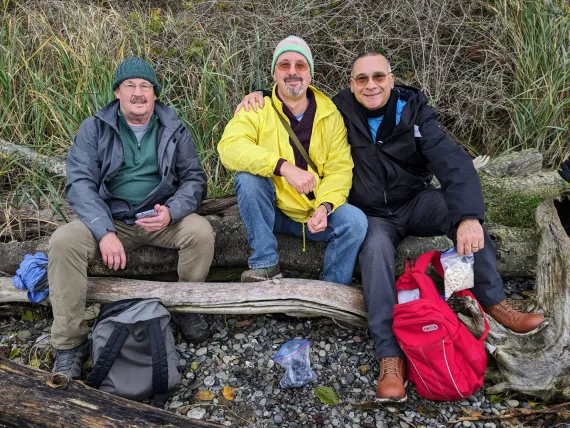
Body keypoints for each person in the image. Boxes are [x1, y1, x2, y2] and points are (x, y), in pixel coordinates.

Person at [236, 51, 547, 403]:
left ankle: (496, 303)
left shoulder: (414, 112)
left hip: (415, 200)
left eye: (378, 77)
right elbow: (294, 93)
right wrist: (260, 93)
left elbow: (453, 161)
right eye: (362, 79)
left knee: (459, 213)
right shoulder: (340, 109)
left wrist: (469, 217)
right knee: (376, 254)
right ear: (351, 85)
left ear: (391, 79)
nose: (371, 85)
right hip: (372, 214)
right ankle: (389, 356)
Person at [49, 57, 215, 379]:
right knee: (62, 243)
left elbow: (194, 179)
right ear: (117, 93)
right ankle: (70, 343)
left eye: (145, 86)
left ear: (155, 94)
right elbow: (80, 184)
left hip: (160, 218)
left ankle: (186, 308)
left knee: (201, 232)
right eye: (130, 86)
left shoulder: (174, 127)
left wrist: (172, 211)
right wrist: (104, 231)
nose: (138, 93)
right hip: (113, 218)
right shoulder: (94, 127)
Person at [218, 36, 367, 286]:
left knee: (355, 222)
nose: (292, 72)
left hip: (314, 213)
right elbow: (229, 148)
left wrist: (326, 206)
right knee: (248, 180)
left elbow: (339, 170)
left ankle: (330, 291)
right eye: (284, 65)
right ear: (274, 73)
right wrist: (283, 167)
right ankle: (265, 263)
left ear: (311, 74)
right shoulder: (256, 108)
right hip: (273, 211)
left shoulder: (330, 114)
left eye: (300, 65)